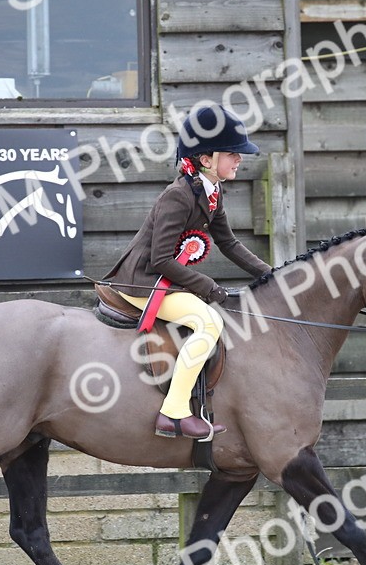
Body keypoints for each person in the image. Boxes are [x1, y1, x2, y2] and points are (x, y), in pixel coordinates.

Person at [104, 106, 272, 439]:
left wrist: (273, 274)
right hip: (141, 281)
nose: (240, 159)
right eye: (233, 154)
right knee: (209, 322)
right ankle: (174, 412)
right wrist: (210, 288)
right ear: (206, 159)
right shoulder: (178, 196)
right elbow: (161, 259)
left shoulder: (211, 191)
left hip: (160, 279)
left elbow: (229, 244)